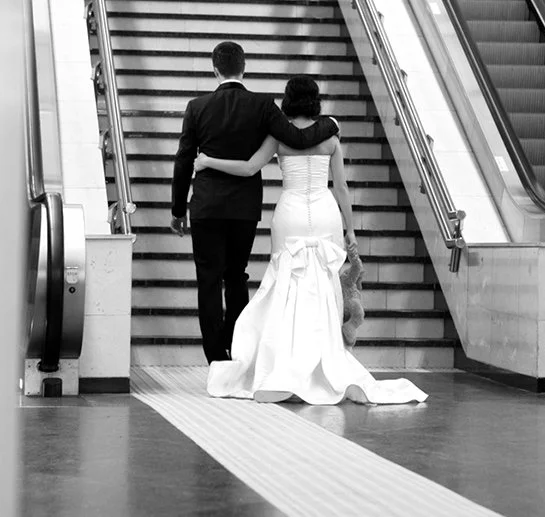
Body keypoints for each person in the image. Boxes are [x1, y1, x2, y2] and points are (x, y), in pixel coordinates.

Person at [198, 76, 428, 405]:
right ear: (315, 99)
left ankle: (283, 360)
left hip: (289, 213)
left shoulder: (279, 136)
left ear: (289, 100)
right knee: (323, 285)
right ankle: (323, 359)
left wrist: (208, 161)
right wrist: (350, 229)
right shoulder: (331, 136)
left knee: (285, 285)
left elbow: (249, 168)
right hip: (325, 212)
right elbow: (342, 188)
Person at [171, 42, 339, 365]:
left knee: (208, 279)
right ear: (244, 68)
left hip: (205, 208)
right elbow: (298, 138)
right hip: (244, 210)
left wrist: (178, 209)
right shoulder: (263, 106)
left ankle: (215, 356)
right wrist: (331, 125)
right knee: (236, 275)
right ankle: (237, 347)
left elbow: (183, 161)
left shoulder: (197, 107)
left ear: (214, 69)